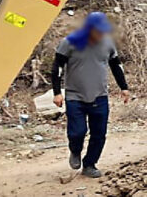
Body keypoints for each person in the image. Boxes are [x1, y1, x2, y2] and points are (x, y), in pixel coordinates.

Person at [51, 12, 130, 178]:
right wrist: (57, 92)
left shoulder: (107, 43)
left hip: (100, 95)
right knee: (77, 132)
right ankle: (75, 150)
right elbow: (57, 67)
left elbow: (116, 65)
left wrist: (124, 87)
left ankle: (89, 164)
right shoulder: (70, 42)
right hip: (75, 96)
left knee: (99, 134)